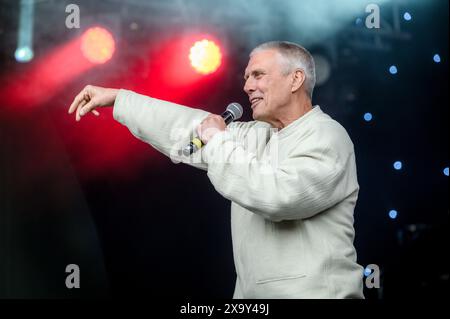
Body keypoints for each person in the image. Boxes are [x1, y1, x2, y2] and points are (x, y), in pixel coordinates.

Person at [68, 41, 364, 298]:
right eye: (247, 77)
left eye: (258, 75)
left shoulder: (327, 136)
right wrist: (121, 99)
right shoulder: (255, 135)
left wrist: (218, 140)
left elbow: (277, 196)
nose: (247, 86)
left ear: (296, 79)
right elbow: (185, 126)